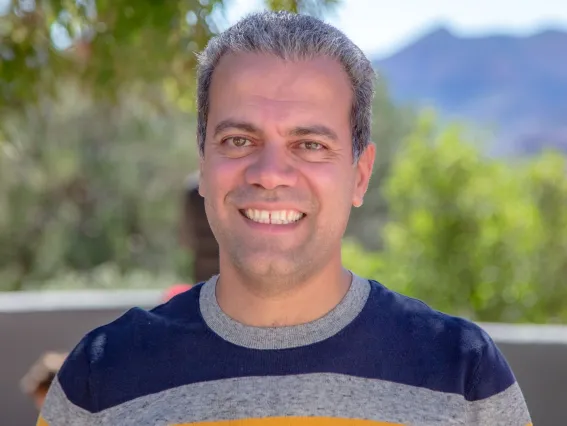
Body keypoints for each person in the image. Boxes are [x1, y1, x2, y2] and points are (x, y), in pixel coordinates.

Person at [38, 11, 533, 426]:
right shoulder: (99, 382)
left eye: (310, 145)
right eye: (238, 140)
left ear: (360, 175)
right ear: (204, 166)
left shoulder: (463, 377)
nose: (271, 173)